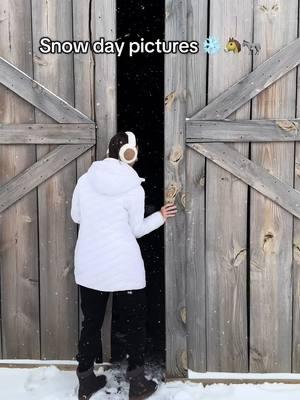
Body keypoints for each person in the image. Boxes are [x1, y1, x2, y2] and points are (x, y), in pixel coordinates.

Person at [71, 131, 177, 400]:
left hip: (90, 264)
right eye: (135, 149)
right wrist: (161, 216)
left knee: (91, 322)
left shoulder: (85, 181)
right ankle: (137, 383)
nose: (137, 153)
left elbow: (76, 215)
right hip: (124, 267)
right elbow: (137, 229)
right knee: (135, 324)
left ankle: (85, 379)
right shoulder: (133, 188)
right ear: (128, 153)